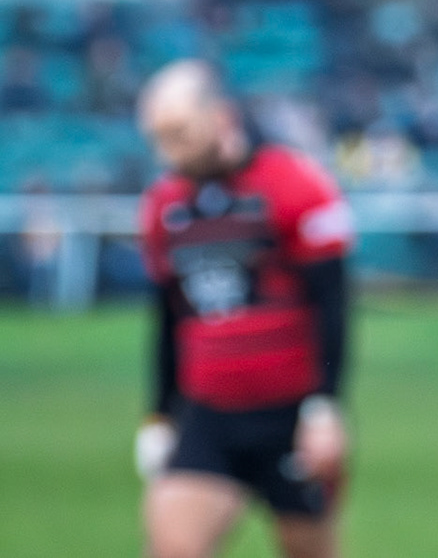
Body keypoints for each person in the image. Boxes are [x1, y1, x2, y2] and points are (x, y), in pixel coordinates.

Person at [135, 60, 353, 558]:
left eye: (179, 133)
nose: (169, 151)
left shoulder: (296, 182)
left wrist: (325, 408)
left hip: (290, 417)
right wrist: (158, 417)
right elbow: (168, 320)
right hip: (208, 416)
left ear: (220, 116)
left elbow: (332, 303)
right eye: (159, 137)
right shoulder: (162, 204)